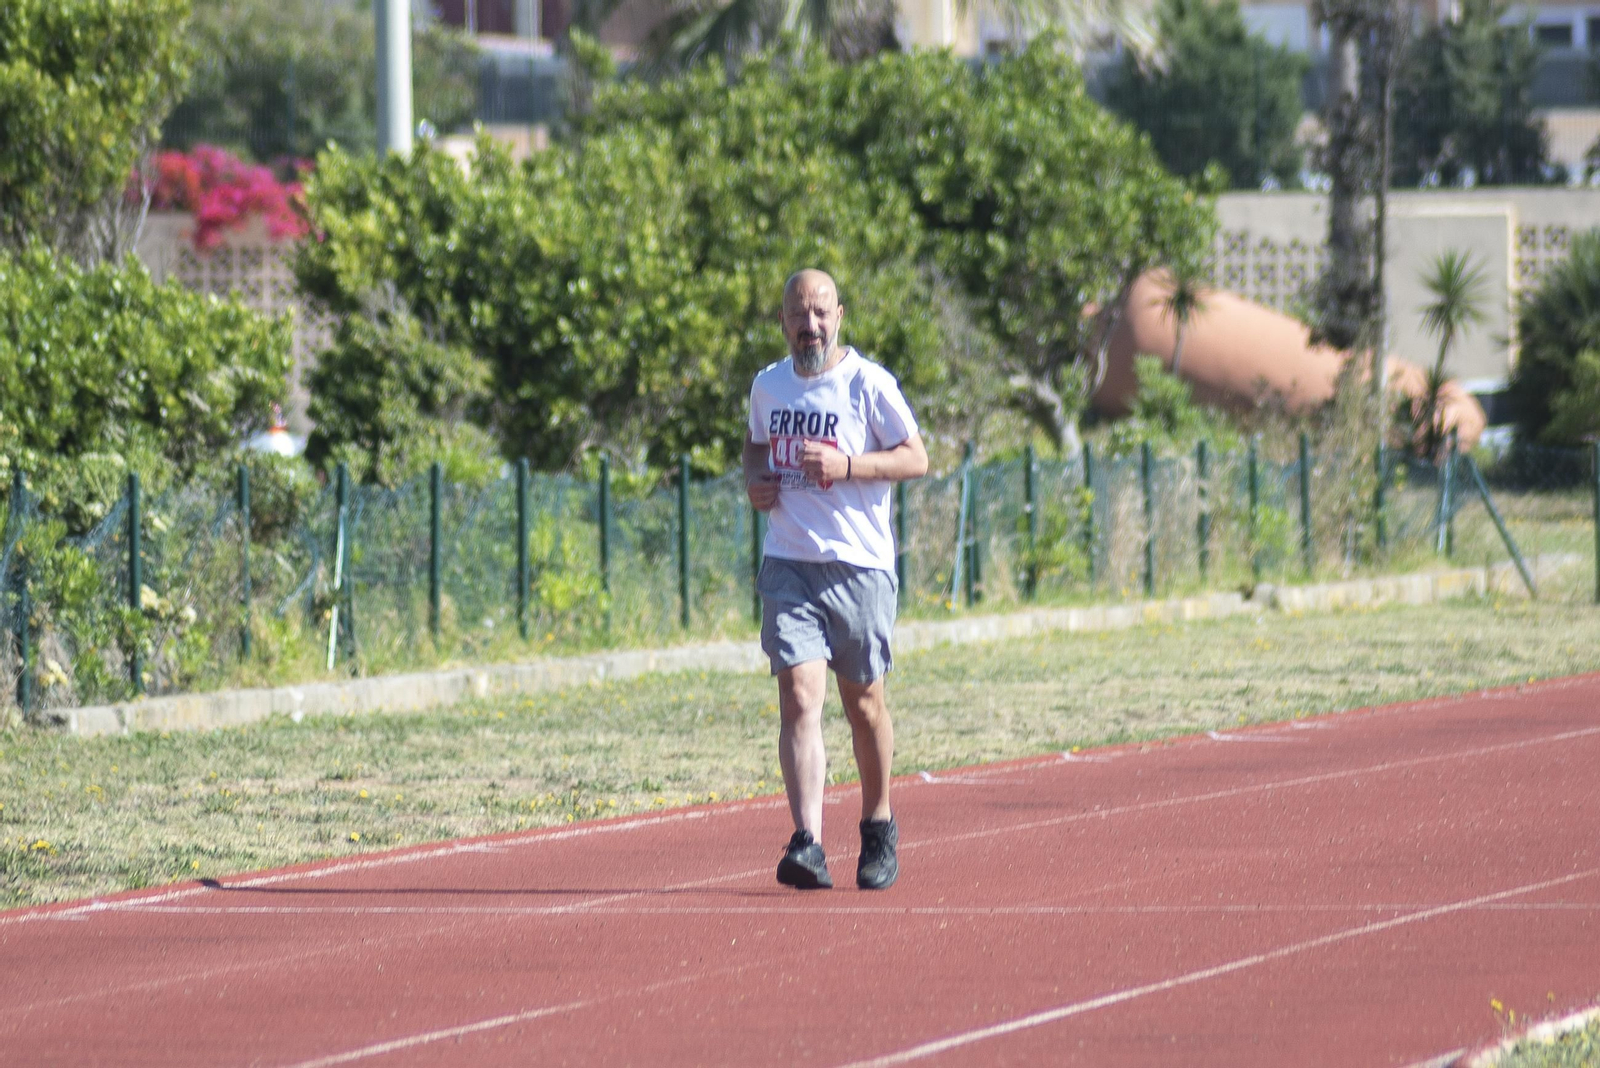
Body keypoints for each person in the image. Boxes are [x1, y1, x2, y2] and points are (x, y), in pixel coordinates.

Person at [743, 268, 928, 890]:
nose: (810, 326)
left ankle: (877, 823)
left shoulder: (867, 383)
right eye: (799, 315)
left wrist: (847, 465)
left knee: (864, 704)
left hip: (860, 565)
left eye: (821, 313)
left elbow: (915, 457)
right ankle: (808, 841)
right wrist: (756, 480)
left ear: (839, 316)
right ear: (783, 323)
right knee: (798, 696)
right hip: (789, 560)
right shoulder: (768, 387)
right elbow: (753, 445)